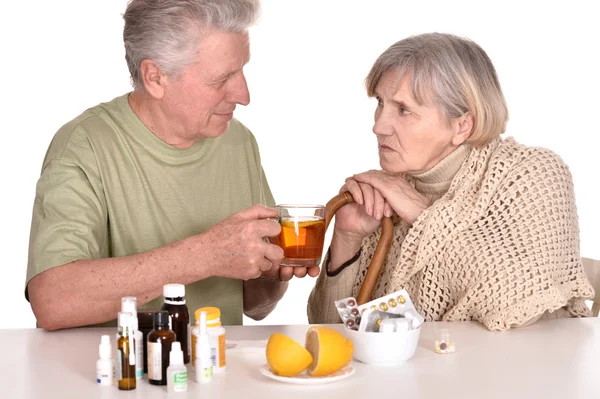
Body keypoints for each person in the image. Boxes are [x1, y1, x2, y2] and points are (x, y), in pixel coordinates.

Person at [25, 0, 319, 331]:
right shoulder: (85, 144)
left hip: (219, 372)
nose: (243, 94)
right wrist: (206, 254)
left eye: (242, 69)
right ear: (155, 77)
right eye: (222, 78)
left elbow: (255, 306)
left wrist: (270, 271)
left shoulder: (238, 140)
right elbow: (53, 301)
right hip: (120, 376)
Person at [308, 33, 594, 331]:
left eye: (404, 109)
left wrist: (422, 215)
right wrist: (347, 240)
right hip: (422, 375)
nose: (378, 126)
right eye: (380, 102)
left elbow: (510, 306)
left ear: (462, 126)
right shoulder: (388, 189)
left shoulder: (532, 174)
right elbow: (330, 332)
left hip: (523, 372)